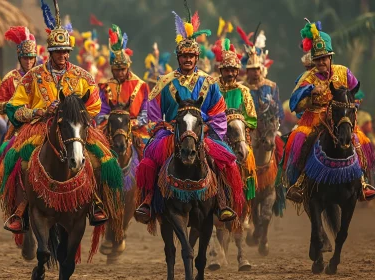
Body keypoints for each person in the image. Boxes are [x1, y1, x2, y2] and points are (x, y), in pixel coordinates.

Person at [0, 0, 114, 233]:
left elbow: (95, 105)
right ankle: (20, 209)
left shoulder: (83, 76)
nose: (62, 55)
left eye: (65, 51)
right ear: (50, 52)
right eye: (58, 51)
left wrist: (76, 114)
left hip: (74, 127)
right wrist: (37, 112)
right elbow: (13, 106)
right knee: (19, 159)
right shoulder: (33, 76)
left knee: (101, 158)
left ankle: (96, 202)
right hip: (40, 126)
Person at [134, 8, 243, 224]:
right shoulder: (165, 82)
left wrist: (210, 128)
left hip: (203, 131)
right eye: (184, 56)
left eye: (191, 56)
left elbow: (219, 112)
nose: (187, 60)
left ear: (197, 58)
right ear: (178, 57)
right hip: (172, 131)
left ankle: (222, 201)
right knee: (149, 160)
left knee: (226, 161)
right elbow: (154, 112)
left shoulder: (209, 82)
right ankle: (148, 201)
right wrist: (162, 126)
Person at [285, 19, 375, 202]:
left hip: (342, 116)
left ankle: (363, 181)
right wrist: (311, 91)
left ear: (330, 58)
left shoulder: (344, 72)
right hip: (314, 118)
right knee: (301, 139)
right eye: (317, 59)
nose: (320, 62)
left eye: (324, 58)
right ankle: (299, 183)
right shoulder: (308, 77)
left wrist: (350, 107)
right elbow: (295, 103)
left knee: (360, 140)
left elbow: (354, 91)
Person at [211, 37, 258, 200]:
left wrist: (237, 122)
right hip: (215, 136)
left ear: (237, 71)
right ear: (221, 71)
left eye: (233, 70)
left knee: (248, 162)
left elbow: (252, 119)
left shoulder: (244, 91)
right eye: (226, 70)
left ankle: (245, 200)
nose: (230, 73)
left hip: (239, 137)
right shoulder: (212, 88)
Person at [96, 24, 150, 158]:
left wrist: (133, 123)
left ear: (128, 68)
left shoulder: (141, 85)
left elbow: (146, 112)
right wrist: (110, 122)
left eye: (122, 69)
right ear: (112, 69)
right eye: (116, 70)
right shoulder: (104, 86)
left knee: (150, 154)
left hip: (136, 130)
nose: (120, 73)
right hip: (110, 129)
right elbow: (100, 113)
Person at [0, 26, 37, 121]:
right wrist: (12, 106)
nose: (28, 62)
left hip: (40, 121)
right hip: (16, 123)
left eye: (31, 58)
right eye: (25, 58)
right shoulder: (10, 78)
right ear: (19, 58)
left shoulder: (42, 75)